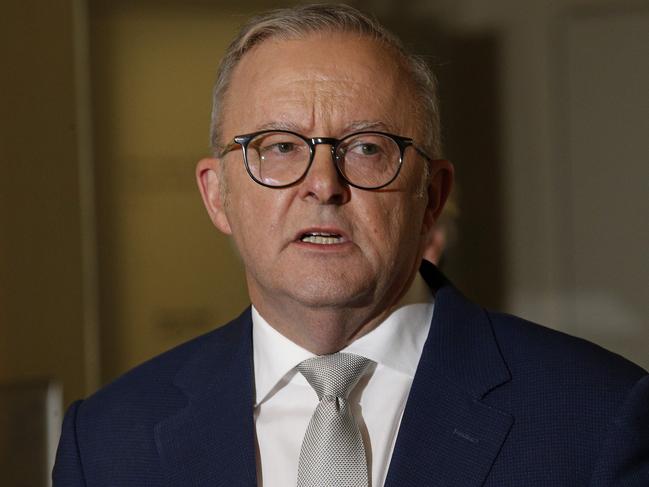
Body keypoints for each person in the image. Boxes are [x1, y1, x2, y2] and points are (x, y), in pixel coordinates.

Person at [53, 4, 649, 486]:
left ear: (432, 196)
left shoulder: (599, 416)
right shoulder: (107, 439)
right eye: (280, 146)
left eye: (367, 148)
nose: (323, 185)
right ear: (217, 196)